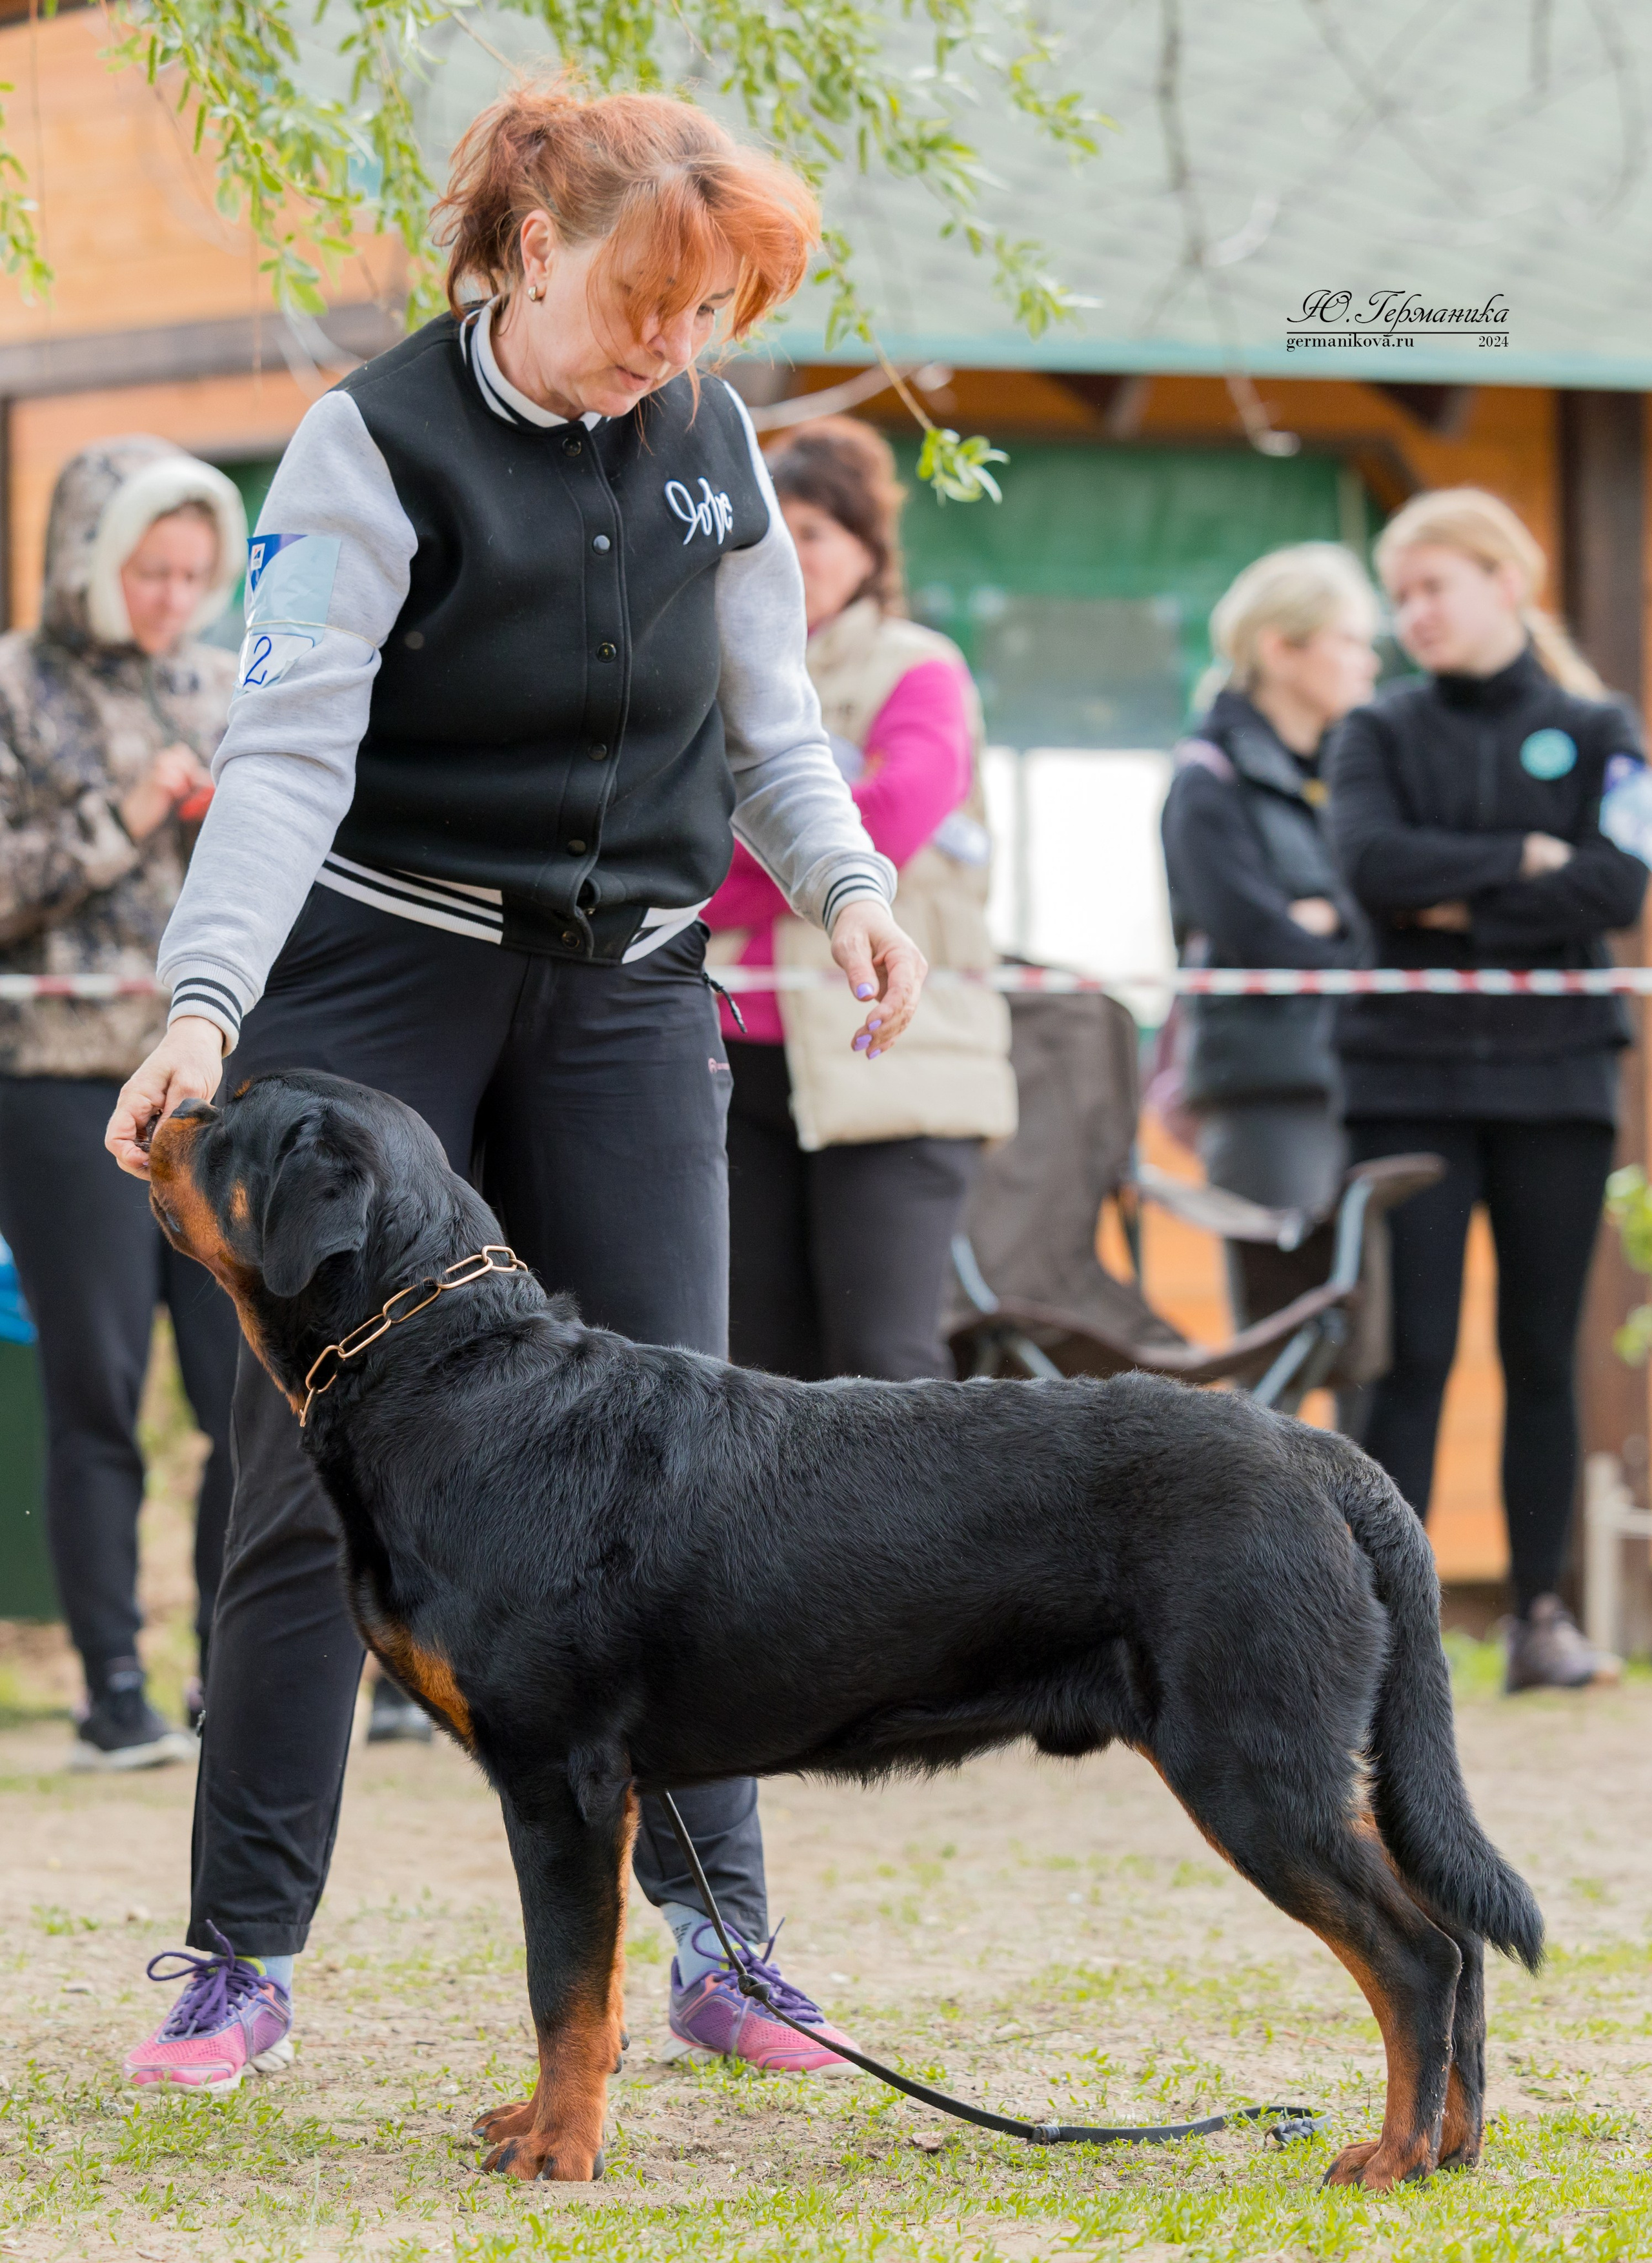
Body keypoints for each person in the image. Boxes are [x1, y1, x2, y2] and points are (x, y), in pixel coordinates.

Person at [103, 79, 927, 2098]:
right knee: (309, 1465)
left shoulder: (713, 437)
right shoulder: (370, 440)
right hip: (384, 969)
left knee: (702, 1467)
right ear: (533, 248)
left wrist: (844, 881)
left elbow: (771, 721)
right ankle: (238, 1952)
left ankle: (726, 1944)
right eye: (654, 298)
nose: (679, 345)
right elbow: (288, 746)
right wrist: (208, 1002)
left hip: (635, 986)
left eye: (715, 310)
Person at [1329, 487, 1649, 1693]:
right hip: (1402, 1075)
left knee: (1541, 1352)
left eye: (1435, 588)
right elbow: (1368, 868)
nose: (1415, 614)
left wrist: (1446, 903)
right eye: (1399, 595)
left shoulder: (1601, 729)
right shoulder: (1376, 732)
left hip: (1555, 1078)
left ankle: (1541, 1616)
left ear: (1508, 581)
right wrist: (1526, 858)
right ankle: (1378, 1633)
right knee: (1406, 1353)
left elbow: (1619, 889)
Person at [0, 436, 245, 1769]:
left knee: (237, 1394)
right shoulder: (15, 683)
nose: (171, 596)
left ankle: (230, 1674)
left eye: (195, 573)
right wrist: (128, 811)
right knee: (96, 1388)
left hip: (205, 1092)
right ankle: (111, 1690)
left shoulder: (223, 684)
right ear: (96, 562)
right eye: (150, 570)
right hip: (55, 1082)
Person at [704, 418, 1014, 1380]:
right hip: (734, 1057)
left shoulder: (920, 667)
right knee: (755, 1369)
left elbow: (882, 821)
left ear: (870, 549)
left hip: (895, 1058)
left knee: (884, 1360)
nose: (795, 552)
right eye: (776, 528)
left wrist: (707, 875)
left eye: (819, 530)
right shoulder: (708, 671)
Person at [1160, 544, 1378, 1327]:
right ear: (1279, 648)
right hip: (1265, 1086)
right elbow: (1259, 939)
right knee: (1281, 1330)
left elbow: (1385, 907)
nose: (1368, 661)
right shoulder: (1205, 778)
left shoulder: (1359, 775)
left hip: (1367, 1075)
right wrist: (1344, 928)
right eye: (1349, 639)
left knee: (1369, 1335)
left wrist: (1329, 914)